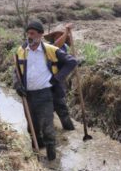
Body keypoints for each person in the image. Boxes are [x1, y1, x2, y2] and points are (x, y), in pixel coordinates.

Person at [13, 20, 77, 160]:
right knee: (32, 128)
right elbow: (16, 72)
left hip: (45, 94)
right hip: (28, 96)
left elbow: (72, 62)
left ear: (40, 35)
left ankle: (52, 160)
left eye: (32, 33)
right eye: (28, 33)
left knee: (48, 128)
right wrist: (18, 85)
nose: (29, 36)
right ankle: (37, 159)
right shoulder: (21, 51)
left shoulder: (50, 50)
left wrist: (56, 79)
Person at [43, 23, 76, 131]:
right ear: (53, 37)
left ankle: (69, 129)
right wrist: (66, 31)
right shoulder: (49, 46)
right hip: (46, 80)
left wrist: (68, 34)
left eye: (60, 35)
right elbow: (57, 44)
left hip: (58, 80)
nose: (58, 37)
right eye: (56, 35)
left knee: (61, 107)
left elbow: (70, 61)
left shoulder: (65, 47)